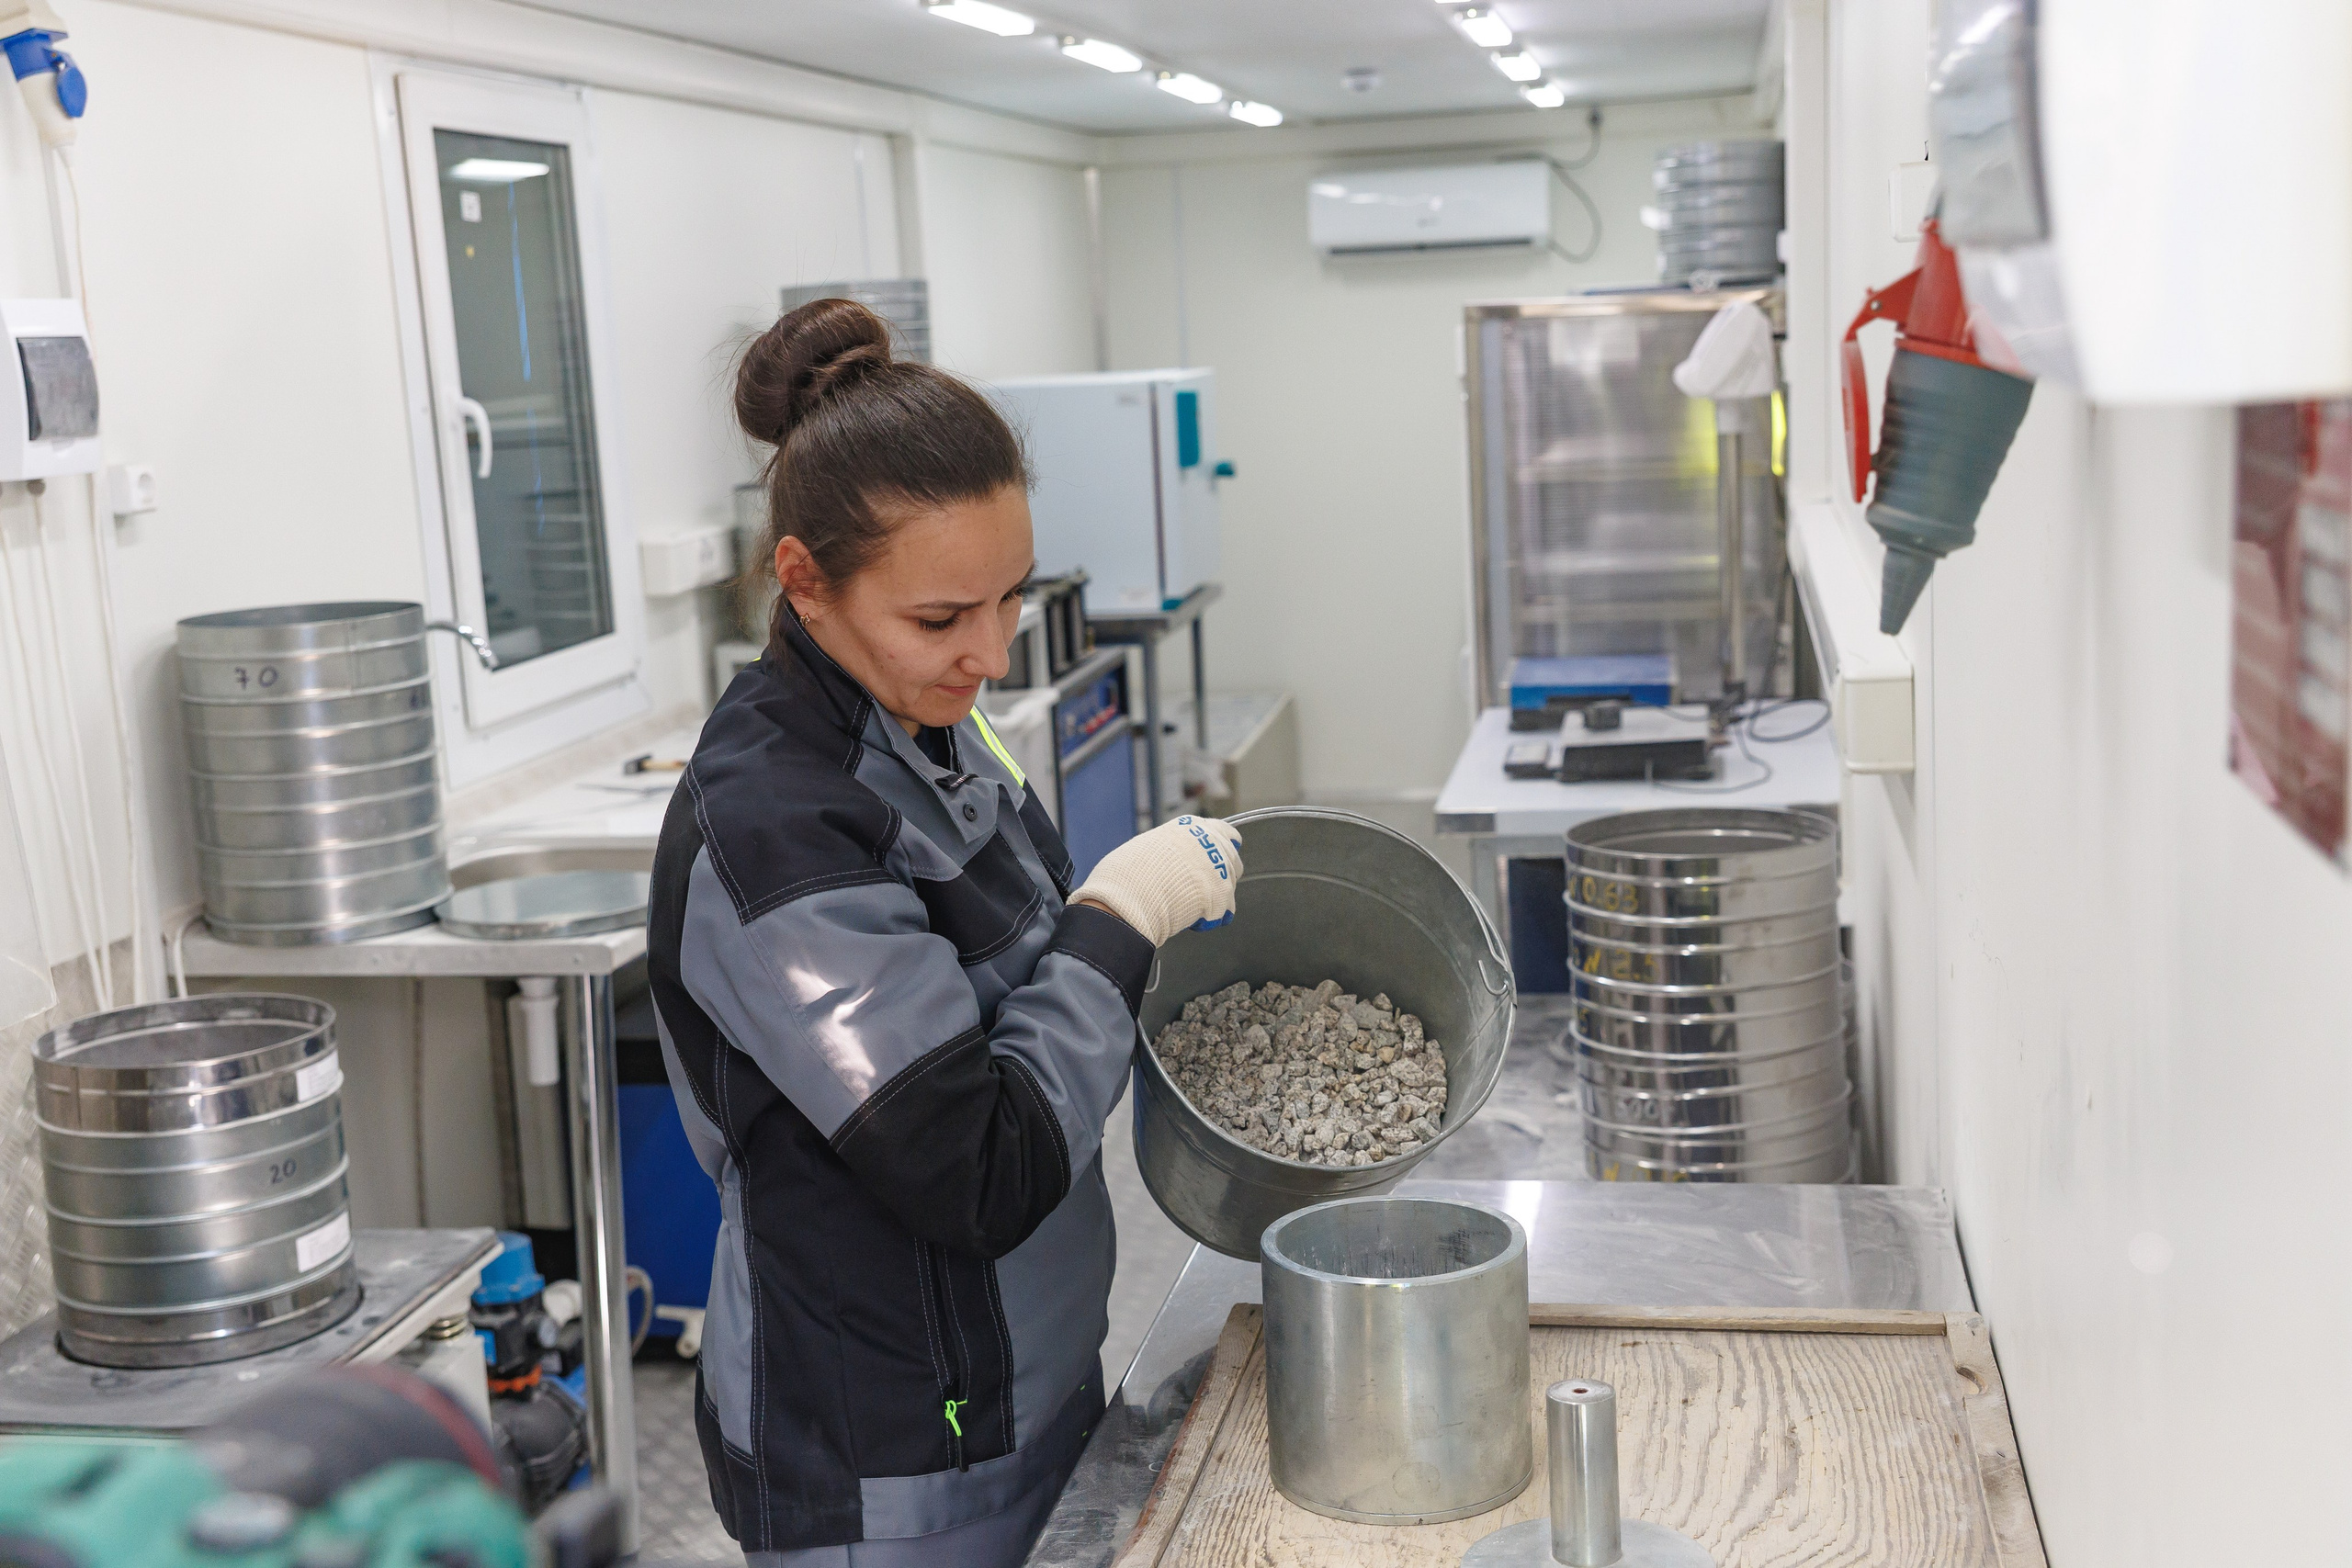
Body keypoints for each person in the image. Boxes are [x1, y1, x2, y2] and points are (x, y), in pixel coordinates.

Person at [645, 298, 1246, 1567]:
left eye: (1010, 597)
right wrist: (1123, 915)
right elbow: (973, 1165)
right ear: (803, 580)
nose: (989, 652)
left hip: (1028, 1374)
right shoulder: (774, 835)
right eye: (940, 618)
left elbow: (1027, 981)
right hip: (891, 1451)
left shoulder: (927, 717)